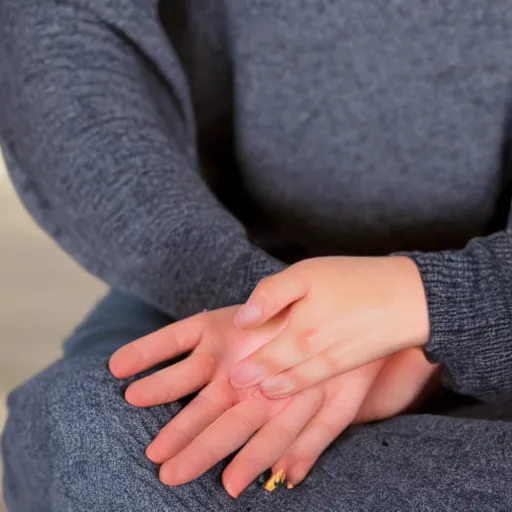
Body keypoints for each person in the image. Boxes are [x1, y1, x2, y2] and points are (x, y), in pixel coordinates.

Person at [2, 0, 512, 509]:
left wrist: (436, 310)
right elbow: (62, 40)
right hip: (213, 285)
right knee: (95, 435)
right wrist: (272, 315)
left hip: (487, 301)